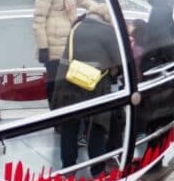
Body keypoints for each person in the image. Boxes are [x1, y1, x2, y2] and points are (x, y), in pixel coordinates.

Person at [51, 13, 123, 172]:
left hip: (70, 82)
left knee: (70, 127)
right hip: (96, 86)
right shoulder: (108, 31)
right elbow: (121, 60)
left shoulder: (76, 27)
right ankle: (97, 170)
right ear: (106, 18)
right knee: (97, 126)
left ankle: (68, 169)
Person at [33, 0, 108, 101]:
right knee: (55, 84)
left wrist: (105, 11)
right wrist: (43, 47)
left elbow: (88, 3)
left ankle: (68, 116)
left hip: (70, 43)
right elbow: (38, 20)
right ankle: (57, 116)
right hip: (53, 46)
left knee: (68, 84)